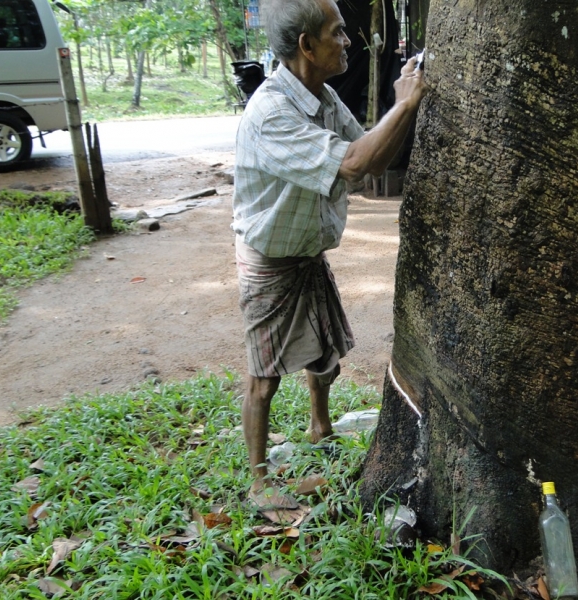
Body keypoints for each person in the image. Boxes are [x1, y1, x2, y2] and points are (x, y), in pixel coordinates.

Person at [232, 0, 429, 494]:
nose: (347, 42)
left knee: (325, 356)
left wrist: (407, 101)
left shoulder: (318, 94)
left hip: (305, 253)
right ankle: (259, 487)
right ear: (307, 45)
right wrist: (405, 103)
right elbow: (356, 165)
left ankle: (320, 426)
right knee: (264, 375)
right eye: (338, 33)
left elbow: (372, 157)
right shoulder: (272, 112)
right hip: (271, 260)